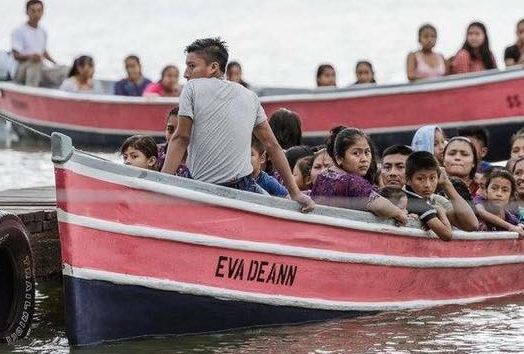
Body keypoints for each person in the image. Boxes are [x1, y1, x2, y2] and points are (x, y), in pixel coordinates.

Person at [161, 37, 313, 212]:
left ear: (213, 68)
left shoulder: (192, 88)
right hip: (244, 187)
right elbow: (272, 145)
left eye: (192, 66)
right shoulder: (250, 96)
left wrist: (161, 183)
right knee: (278, 205)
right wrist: (295, 193)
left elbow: (181, 138)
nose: (186, 74)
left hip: (201, 186)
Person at [311, 127, 407, 223]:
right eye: (356, 153)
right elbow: (379, 205)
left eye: (367, 152)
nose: (364, 159)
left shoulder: (322, 176)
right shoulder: (352, 181)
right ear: (339, 158)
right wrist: (399, 213)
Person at [406, 151, 479, 231]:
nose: (428, 185)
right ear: (408, 180)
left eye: (432, 178)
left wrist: (446, 184)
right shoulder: (402, 199)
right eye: (420, 179)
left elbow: (472, 225)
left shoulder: (437, 200)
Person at [11, 0, 66, 87]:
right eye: (33, 11)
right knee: (35, 64)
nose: (36, 14)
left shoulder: (42, 31)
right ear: (27, 12)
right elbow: (16, 55)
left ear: (42, 12)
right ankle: (30, 93)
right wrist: (31, 56)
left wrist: (55, 63)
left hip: (40, 66)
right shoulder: (19, 30)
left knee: (66, 70)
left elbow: (43, 52)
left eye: (39, 11)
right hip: (22, 70)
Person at [473, 168, 524, 236]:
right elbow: (482, 212)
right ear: (486, 192)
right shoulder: (479, 200)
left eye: (504, 190)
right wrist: (510, 226)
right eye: (494, 188)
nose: (499, 194)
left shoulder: (509, 216)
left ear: (511, 197)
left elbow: (517, 225)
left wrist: (520, 226)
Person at [155, 106, 190, 177]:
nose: (174, 136)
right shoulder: (154, 153)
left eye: (180, 131)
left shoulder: (199, 162)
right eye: (170, 130)